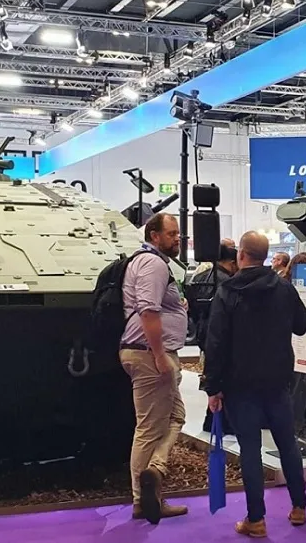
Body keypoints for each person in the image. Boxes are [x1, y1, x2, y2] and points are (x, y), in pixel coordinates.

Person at [203, 231, 306, 537]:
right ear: (265, 256)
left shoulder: (227, 291)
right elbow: (302, 325)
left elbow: (216, 342)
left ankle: (256, 519)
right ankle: (299, 507)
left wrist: (213, 386)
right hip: (277, 380)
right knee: (287, 443)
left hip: (240, 383)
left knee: (250, 449)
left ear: (241, 254)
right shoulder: (284, 288)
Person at [119, 212, 189, 524]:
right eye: (172, 233)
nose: (178, 238)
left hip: (148, 353)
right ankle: (142, 499)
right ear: (154, 235)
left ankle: (154, 474)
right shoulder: (152, 263)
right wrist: (159, 355)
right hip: (149, 355)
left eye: (178, 233)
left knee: (175, 417)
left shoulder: (154, 263)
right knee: (148, 429)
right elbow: (148, 310)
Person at [185, 239, 238, 434]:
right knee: (225, 377)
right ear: (232, 262)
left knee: (212, 371)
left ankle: (211, 420)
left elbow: (191, 306)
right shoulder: (228, 283)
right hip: (220, 334)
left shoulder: (201, 277)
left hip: (203, 331)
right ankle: (223, 422)